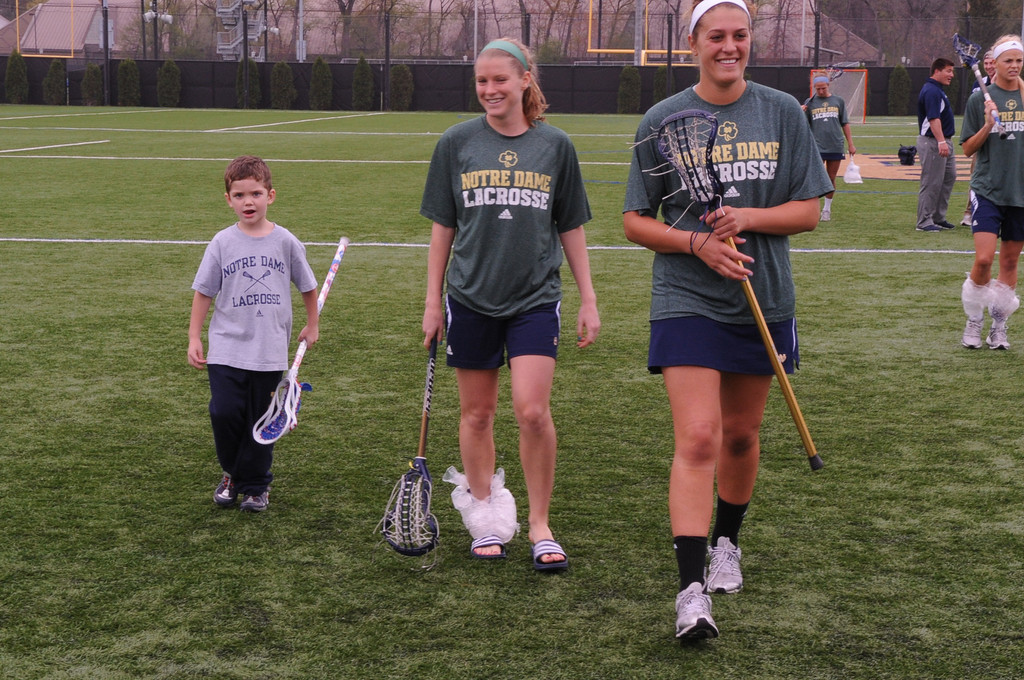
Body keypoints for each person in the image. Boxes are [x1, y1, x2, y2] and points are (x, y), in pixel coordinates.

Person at [623, 0, 832, 640]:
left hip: (762, 297)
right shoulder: (660, 120)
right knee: (699, 438)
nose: (729, 46)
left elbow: (809, 210)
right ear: (694, 43)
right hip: (686, 296)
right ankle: (690, 594)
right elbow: (635, 220)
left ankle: (726, 542)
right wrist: (696, 244)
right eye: (717, 36)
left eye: (740, 35)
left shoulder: (780, 112)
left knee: (740, 435)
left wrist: (743, 221)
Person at [420, 37, 600, 570]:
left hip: (534, 300)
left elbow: (571, 225)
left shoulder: (556, 146)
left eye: (500, 79)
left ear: (525, 80)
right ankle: (486, 516)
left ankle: (540, 524)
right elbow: (442, 230)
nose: (490, 90)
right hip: (470, 297)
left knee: (532, 410)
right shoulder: (456, 143)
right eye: (481, 81)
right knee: (477, 414)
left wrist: (588, 296)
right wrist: (433, 302)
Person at [188, 155, 320, 512]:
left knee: (263, 420)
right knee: (225, 412)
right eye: (240, 194)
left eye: (256, 193)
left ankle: (256, 486)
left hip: (269, 348)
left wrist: (313, 323)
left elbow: (308, 285)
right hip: (227, 347)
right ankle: (232, 473)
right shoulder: (221, 243)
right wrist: (194, 336)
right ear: (228, 199)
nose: (249, 201)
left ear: (271, 196)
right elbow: (204, 291)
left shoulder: (286, 242)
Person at [959, 36, 1024, 350]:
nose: (1014, 66)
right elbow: (968, 149)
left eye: (1019, 61)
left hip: (1020, 192)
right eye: (1008, 60)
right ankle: (974, 320)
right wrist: (987, 125)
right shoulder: (979, 99)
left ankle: (999, 327)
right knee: (984, 259)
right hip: (987, 189)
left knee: (1009, 263)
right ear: (994, 63)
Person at [803, 74, 856, 222]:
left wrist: (851, 144)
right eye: (818, 89)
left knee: (830, 178)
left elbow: (844, 123)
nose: (820, 91)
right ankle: (813, 209)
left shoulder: (838, 101)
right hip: (816, 146)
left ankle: (827, 209)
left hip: (835, 145)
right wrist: (801, 112)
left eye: (823, 88)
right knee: (815, 178)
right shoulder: (810, 102)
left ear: (828, 86)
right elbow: (803, 125)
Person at [916, 58, 958, 232]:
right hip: (933, 141)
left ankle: (938, 217)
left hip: (943, 140)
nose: (952, 75)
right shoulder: (932, 90)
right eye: (948, 71)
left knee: (949, 177)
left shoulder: (938, 90)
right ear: (937, 71)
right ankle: (924, 221)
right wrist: (941, 141)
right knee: (932, 181)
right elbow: (934, 119)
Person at [962, 50, 998, 227]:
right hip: (982, 136)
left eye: (992, 63)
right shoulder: (979, 85)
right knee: (977, 174)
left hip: (1004, 138)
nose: (990, 67)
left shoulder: (1010, 85)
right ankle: (969, 211)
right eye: (987, 64)